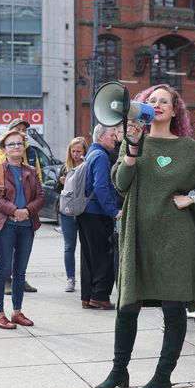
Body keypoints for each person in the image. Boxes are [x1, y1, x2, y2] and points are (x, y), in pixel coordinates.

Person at [95, 84, 195, 388]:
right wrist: (131, 151)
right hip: (137, 237)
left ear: (174, 111)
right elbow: (120, 184)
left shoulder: (188, 148)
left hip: (176, 241)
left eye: (164, 101)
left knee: (173, 308)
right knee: (127, 305)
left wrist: (193, 197)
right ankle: (119, 371)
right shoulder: (133, 142)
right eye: (151, 100)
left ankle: (162, 379)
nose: (157, 105)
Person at [0, 129, 44, 329]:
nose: (17, 147)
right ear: (4, 149)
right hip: (6, 226)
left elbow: (40, 196)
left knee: (20, 271)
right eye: (12, 144)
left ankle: (17, 312)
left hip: (27, 226)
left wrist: (27, 211)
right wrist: (14, 211)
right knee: (3, 270)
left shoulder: (31, 171)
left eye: (20, 143)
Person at [0, 118, 41, 294]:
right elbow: (1, 165)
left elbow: (37, 177)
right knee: (5, 252)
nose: (22, 132)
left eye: (24, 130)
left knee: (22, 251)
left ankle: (20, 278)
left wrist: (31, 208)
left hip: (27, 209)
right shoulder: (0, 150)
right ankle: (7, 281)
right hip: (8, 209)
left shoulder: (31, 151)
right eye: (18, 129)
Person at [77, 124, 122, 310]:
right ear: (101, 136)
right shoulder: (102, 156)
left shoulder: (91, 154)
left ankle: (87, 297)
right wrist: (114, 211)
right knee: (104, 256)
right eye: (112, 135)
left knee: (88, 257)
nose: (115, 138)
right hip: (97, 213)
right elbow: (101, 187)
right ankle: (100, 296)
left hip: (85, 212)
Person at [54, 137, 88, 293]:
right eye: (73, 151)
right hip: (67, 212)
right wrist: (61, 182)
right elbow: (55, 189)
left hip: (84, 211)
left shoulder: (87, 166)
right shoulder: (65, 167)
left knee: (87, 246)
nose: (75, 154)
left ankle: (89, 277)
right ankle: (70, 279)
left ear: (84, 152)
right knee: (69, 247)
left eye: (78, 151)